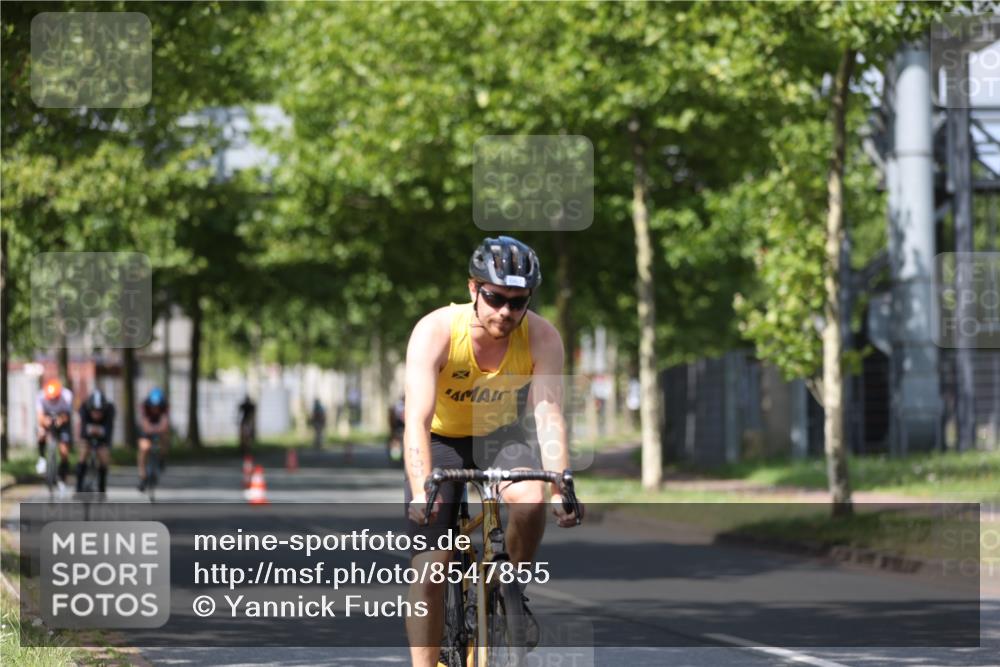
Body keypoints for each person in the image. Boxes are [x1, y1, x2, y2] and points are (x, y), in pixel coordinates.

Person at [403, 235, 583, 666]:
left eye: (517, 302)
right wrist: (421, 488)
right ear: (473, 289)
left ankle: (508, 590)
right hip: (441, 439)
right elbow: (417, 420)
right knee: (430, 570)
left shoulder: (542, 336)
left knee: (531, 499)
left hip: (498, 436)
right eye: (495, 298)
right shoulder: (436, 332)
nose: (505, 311)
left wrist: (561, 484)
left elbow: (548, 415)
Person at [36, 378, 73, 495]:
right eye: (50, 398)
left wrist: (60, 420)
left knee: (64, 452)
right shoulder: (40, 396)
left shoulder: (67, 396)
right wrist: (45, 422)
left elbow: (67, 415)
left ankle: (62, 478)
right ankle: (42, 458)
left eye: (55, 398)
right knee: (41, 434)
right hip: (46, 418)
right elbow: (40, 416)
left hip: (62, 420)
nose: (52, 400)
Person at [77, 389, 115, 495]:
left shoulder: (110, 409)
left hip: (103, 438)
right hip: (87, 436)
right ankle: (79, 486)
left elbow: (109, 431)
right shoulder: (83, 408)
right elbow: (83, 430)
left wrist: (101, 434)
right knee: (83, 452)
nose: (97, 414)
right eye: (94, 411)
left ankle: (102, 487)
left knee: (103, 457)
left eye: (99, 412)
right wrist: (89, 433)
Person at [137, 387, 170, 491]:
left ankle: (162, 457)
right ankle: (143, 477)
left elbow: (164, 423)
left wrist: (159, 429)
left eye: (157, 407)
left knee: (165, 437)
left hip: (159, 426)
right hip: (148, 428)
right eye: (153, 406)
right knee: (144, 448)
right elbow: (144, 424)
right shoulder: (145, 406)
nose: (155, 409)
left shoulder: (164, 407)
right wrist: (150, 429)